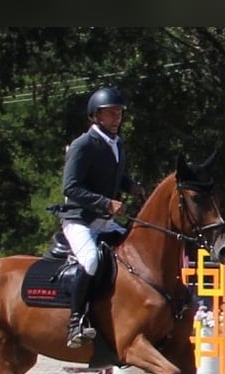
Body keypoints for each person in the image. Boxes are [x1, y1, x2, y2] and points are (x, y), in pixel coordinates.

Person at [59, 86, 145, 348]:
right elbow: (71, 187)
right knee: (91, 260)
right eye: (110, 114)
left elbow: (111, 176)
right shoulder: (83, 144)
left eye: (119, 113)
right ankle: (76, 322)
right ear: (96, 116)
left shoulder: (117, 143)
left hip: (104, 221)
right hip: (79, 220)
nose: (116, 118)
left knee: (138, 254)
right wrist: (106, 203)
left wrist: (131, 186)